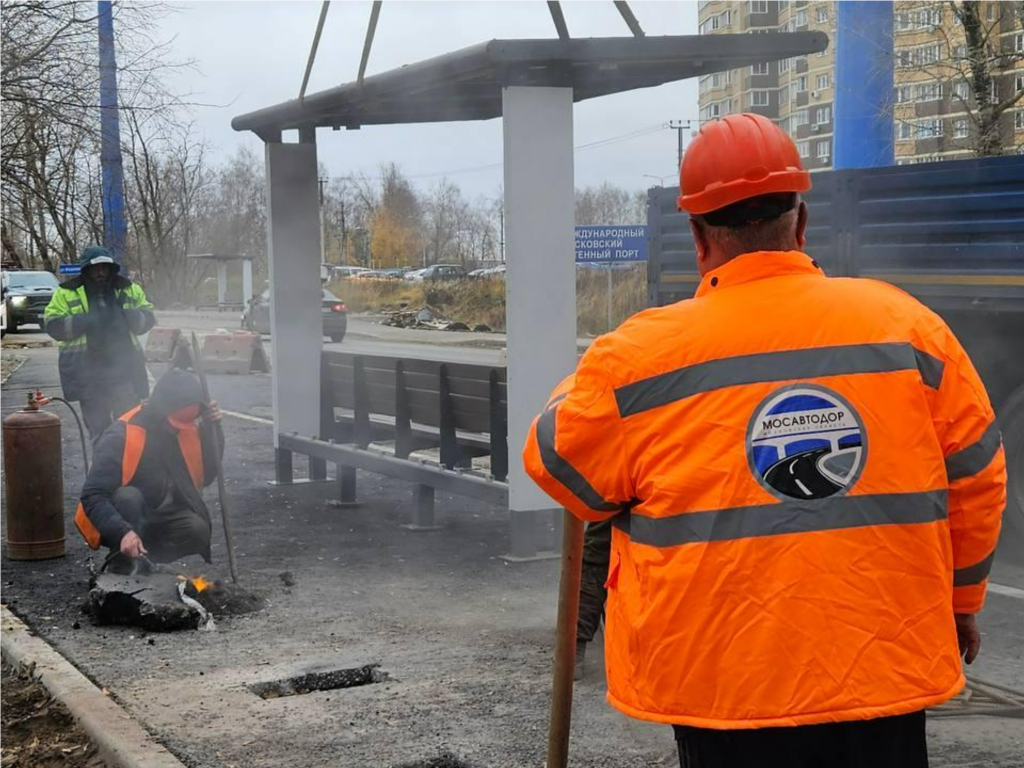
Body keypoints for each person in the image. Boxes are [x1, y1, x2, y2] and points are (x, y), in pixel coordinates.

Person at [524, 113, 1005, 768]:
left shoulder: (638, 359)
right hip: (882, 673)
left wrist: (579, 382)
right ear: (801, 223)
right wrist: (960, 604)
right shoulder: (908, 328)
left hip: (721, 688)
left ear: (697, 236)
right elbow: (979, 476)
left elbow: (557, 461)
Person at [74, 368, 223, 572]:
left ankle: (145, 563)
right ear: (161, 411)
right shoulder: (122, 434)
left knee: (197, 530)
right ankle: (121, 562)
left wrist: (213, 429)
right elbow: (92, 495)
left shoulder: (185, 428)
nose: (177, 430)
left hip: (162, 514)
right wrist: (122, 532)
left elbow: (206, 476)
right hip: (125, 515)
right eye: (174, 424)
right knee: (129, 497)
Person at [44, 245, 156, 440]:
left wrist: (130, 317)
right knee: (99, 433)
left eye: (105, 268)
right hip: (88, 378)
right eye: (96, 268)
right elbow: (53, 325)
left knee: (129, 430)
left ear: (112, 269)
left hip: (124, 374)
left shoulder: (128, 289)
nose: (101, 273)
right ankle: (103, 469)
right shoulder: (66, 293)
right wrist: (84, 321)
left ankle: (129, 470)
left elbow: (148, 316)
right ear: (86, 269)